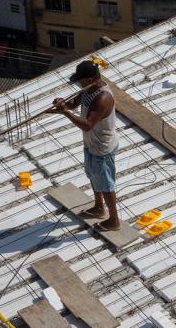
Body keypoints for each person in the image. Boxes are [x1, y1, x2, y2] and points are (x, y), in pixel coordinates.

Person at [51, 61, 120, 230]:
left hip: (103, 147)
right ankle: (99, 208)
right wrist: (63, 104)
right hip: (91, 144)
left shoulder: (103, 98)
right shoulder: (88, 89)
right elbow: (73, 104)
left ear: (89, 79)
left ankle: (114, 220)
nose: (78, 83)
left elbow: (88, 124)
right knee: (93, 176)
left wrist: (65, 112)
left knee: (106, 185)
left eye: (80, 80)